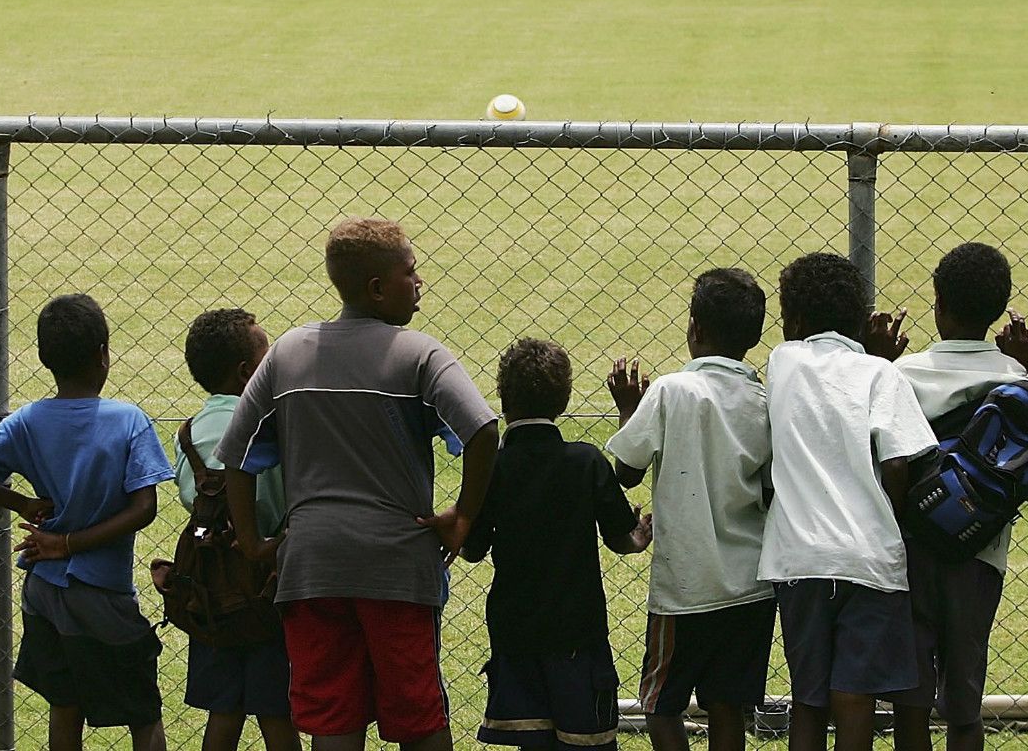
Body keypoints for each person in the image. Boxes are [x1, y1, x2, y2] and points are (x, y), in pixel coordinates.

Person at [215, 217, 500, 751]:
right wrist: (462, 517)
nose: (420, 284)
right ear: (377, 288)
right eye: (411, 273)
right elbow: (483, 429)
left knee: (334, 723)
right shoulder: (420, 354)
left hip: (313, 568)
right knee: (418, 718)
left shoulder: (288, 352)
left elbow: (235, 455)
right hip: (397, 568)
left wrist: (254, 543)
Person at [0, 294, 175, 751]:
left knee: (64, 704)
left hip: (43, 591)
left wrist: (23, 503)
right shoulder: (128, 421)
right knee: (142, 711)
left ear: (45, 359)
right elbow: (143, 510)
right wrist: (69, 544)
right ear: (103, 355)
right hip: (102, 593)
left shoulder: (28, 421)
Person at [762, 253, 936, 751]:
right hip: (869, 558)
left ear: (792, 320)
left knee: (808, 702)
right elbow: (901, 463)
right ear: (859, 317)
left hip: (800, 557)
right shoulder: (881, 374)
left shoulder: (781, 361)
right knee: (855, 699)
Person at [873, 243, 1028, 751]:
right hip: (982, 553)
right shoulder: (1018, 380)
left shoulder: (902, 375)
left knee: (911, 702)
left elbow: (883, 458)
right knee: (966, 703)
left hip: (911, 550)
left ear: (937, 301)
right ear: (999, 308)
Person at [606, 269, 774, 751]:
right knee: (727, 706)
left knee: (661, 705)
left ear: (695, 328)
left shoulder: (670, 390)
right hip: (750, 584)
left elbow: (627, 471)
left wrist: (627, 410)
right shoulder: (763, 399)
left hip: (685, 588)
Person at [464, 339, 651, 751]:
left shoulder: (493, 467)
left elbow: (473, 547)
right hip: (577, 634)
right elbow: (623, 537)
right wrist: (640, 532)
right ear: (564, 400)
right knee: (589, 740)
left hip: (515, 632)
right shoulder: (585, 462)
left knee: (532, 739)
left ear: (503, 396)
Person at [166, 309, 300, 751]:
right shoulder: (272, 427)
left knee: (224, 712)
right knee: (277, 713)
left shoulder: (190, 432)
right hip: (267, 586)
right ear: (249, 372)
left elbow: (191, 498)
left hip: (210, 587)